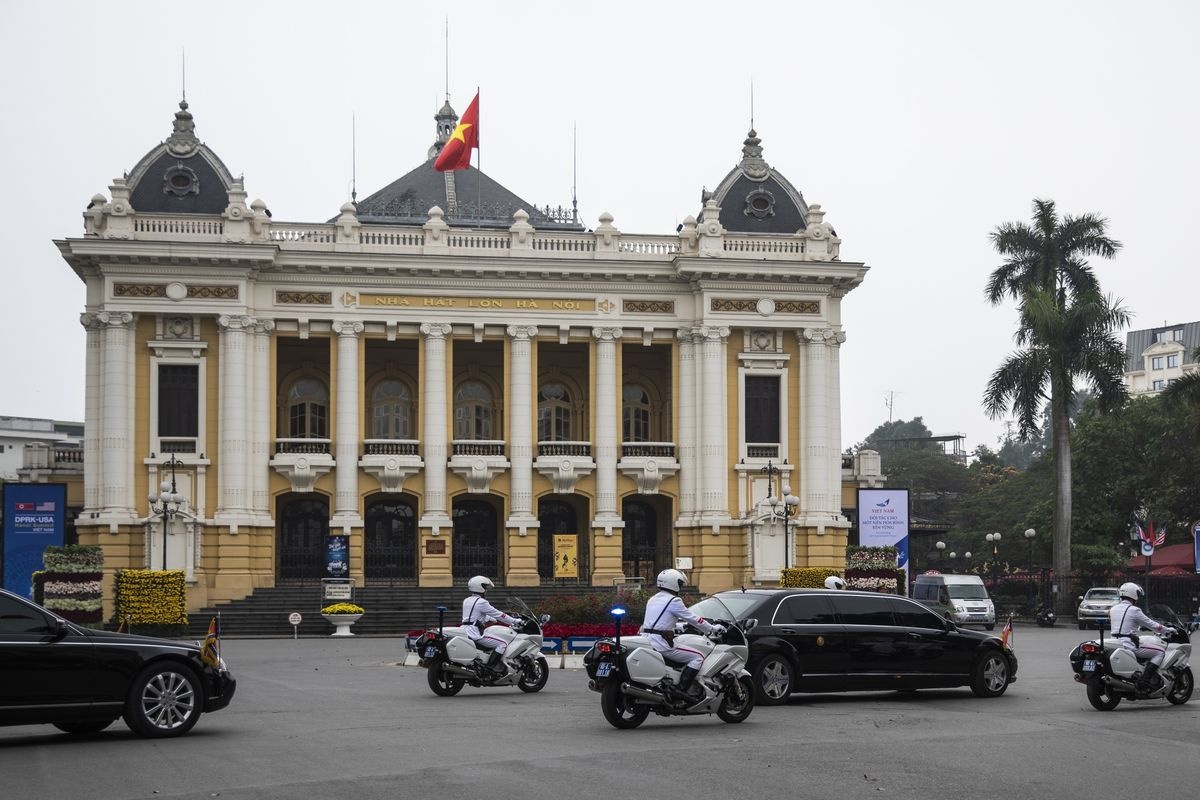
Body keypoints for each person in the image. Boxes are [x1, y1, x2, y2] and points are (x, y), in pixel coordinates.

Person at [640, 568, 724, 702]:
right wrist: (712, 628)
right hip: (661, 643)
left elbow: (657, 622)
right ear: (673, 583)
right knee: (698, 657)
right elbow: (693, 618)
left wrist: (679, 626)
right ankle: (681, 690)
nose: (681, 586)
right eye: (680, 583)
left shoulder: (653, 599)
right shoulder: (674, 600)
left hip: (647, 639)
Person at [1109, 582, 1169, 692]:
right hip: (1128, 644)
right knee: (1160, 652)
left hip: (1115, 642)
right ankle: (1145, 681)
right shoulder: (1134, 610)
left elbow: (1125, 624)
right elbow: (1152, 625)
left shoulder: (1113, 609)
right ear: (1134, 594)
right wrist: (1167, 630)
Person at [461, 575, 519, 677]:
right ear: (480, 587)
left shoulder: (467, 600)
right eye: (486, 588)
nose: (486, 591)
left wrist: (491, 619)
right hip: (474, 632)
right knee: (502, 644)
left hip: (464, 630)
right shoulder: (482, 602)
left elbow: (475, 615)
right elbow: (499, 614)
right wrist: (514, 621)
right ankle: (491, 667)